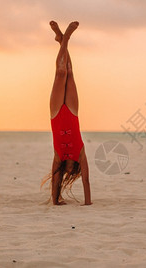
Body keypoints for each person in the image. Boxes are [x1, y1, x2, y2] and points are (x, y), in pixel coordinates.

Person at [42, 21, 92, 206]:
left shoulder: (58, 158)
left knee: (60, 72)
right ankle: (63, 39)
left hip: (56, 114)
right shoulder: (81, 155)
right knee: (69, 72)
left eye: (68, 173)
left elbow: (55, 182)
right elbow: (87, 181)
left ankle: (63, 39)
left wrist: (55, 201)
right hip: (72, 112)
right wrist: (88, 202)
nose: (71, 173)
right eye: (74, 173)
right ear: (76, 169)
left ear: (65, 170)